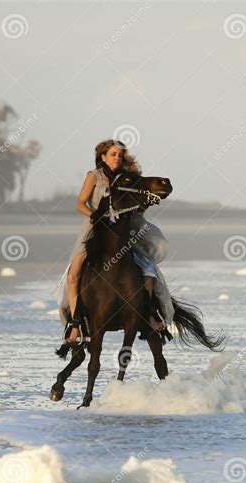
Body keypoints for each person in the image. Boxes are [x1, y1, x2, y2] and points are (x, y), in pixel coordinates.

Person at [52, 139, 174, 345]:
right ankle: (74, 323)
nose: (117, 157)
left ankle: (151, 313)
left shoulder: (128, 177)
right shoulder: (94, 176)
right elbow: (80, 203)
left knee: (148, 269)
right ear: (103, 157)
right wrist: (95, 217)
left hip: (125, 229)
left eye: (119, 154)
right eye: (113, 154)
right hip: (95, 227)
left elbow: (141, 199)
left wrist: (149, 200)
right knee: (74, 273)